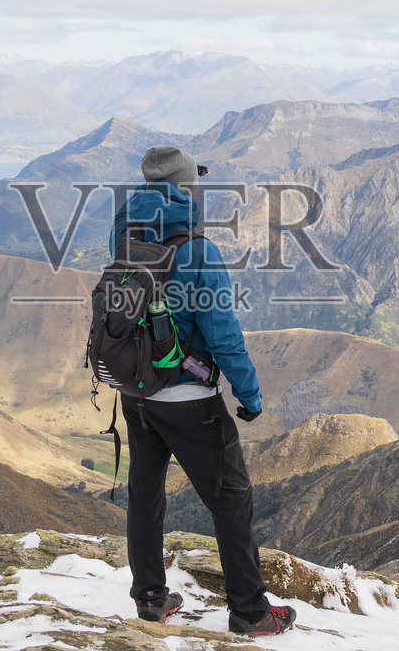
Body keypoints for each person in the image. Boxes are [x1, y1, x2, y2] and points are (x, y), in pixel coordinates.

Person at [109, 145, 297, 637]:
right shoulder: (197, 249)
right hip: (190, 399)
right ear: (187, 189)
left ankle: (150, 597)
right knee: (231, 499)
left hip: (136, 391)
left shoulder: (125, 230)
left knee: (145, 495)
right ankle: (251, 612)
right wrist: (250, 396)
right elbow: (222, 334)